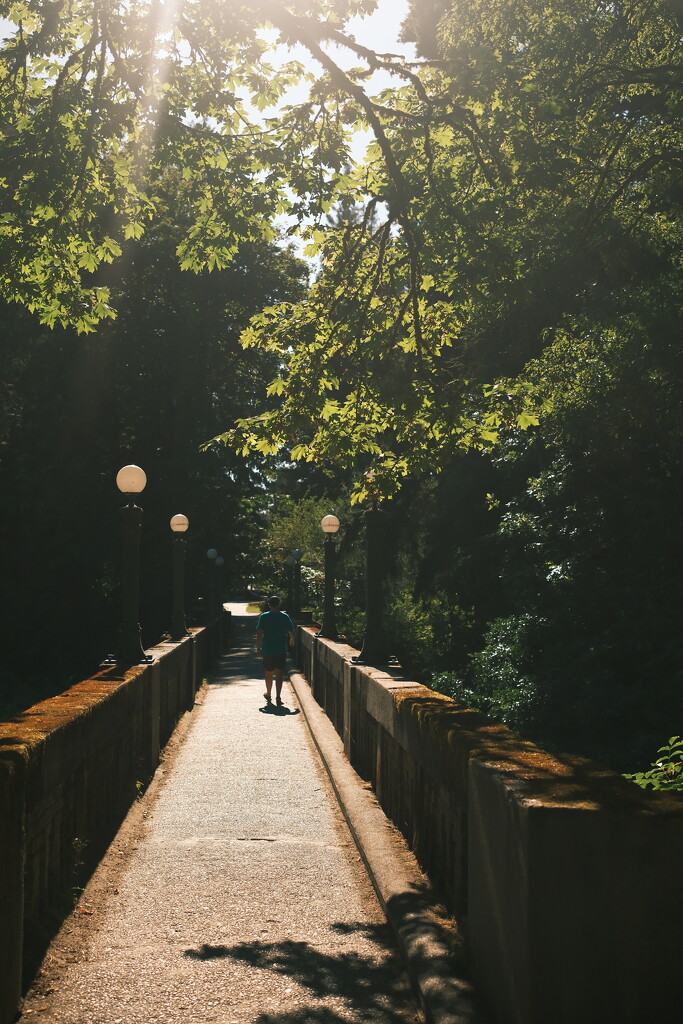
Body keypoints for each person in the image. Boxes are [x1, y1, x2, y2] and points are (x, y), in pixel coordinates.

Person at [255, 596, 296, 706]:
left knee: (269, 672)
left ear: (269, 605)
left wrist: (258, 648)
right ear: (279, 605)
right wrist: (292, 639)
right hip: (280, 648)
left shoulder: (264, 617)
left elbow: (259, 634)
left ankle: (268, 693)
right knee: (279, 673)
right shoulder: (284, 616)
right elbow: (291, 631)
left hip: (267, 649)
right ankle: (278, 696)